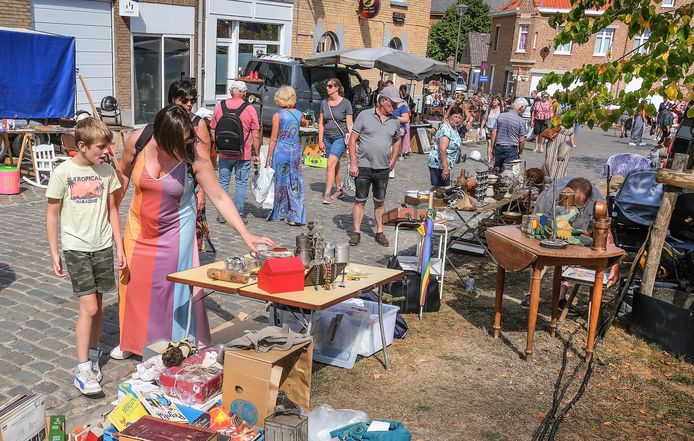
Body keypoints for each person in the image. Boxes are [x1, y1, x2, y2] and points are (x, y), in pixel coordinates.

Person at [112, 105, 273, 359]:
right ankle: (132, 342)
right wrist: (109, 215)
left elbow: (218, 195)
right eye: (183, 140)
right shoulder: (139, 140)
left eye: (190, 139)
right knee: (134, 286)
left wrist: (245, 234)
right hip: (139, 228)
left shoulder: (194, 155)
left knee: (170, 290)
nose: (189, 144)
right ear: (164, 137)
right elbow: (121, 174)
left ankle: (173, 346)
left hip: (176, 230)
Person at [46, 117, 125, 395]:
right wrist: (55, 251)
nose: (106, 152)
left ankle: (92, 355)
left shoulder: (106, 172)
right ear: (82, 146)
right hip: (76, 247)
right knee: (88, 308)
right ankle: (81, 368)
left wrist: (120, 246)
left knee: (99, 307)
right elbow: (52, 213)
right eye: (101, 147)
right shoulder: (63, 172)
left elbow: (113, 211)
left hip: (102, 245)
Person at [523, 177, 620, 315]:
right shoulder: (550, 197)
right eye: (571, 204)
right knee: (540, 259)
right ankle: (531, 293)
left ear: (587, 200)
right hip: (550, 224)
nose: (573, 209)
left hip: (577, 231)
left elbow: (606, 232)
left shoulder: (597, 202)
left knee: (571, 262)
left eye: (578, 206)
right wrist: (542, 231)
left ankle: (560, 299)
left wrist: (615, 263)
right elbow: (539, 217)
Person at [348, 86, 402, 247]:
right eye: (393, 103)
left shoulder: (394, 121)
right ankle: (356, 232)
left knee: (380, 201)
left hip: (383, 167)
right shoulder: (364, 115)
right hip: (363, 165)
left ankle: (379, 231)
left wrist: (393, 160)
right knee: (360, 200)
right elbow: (352, 140)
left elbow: (398, 140)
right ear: (383, 101)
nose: (396, 107)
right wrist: (353, 163)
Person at [167, 80, 213, 251]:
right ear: (173, 99)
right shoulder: (165, 120)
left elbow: (204, 161)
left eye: (192, 100)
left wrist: (201, 192)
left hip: (190, 183)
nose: (189, 104)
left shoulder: (198, 124)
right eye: (184, 100)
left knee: (190, 237)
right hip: (167, 183)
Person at [211, 80, 261, 223]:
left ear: (231, 92)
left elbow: (213, 130)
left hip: (224, 152)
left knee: (223, 183)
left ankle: (222, 214)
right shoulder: (249, 109)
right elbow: (256, 134)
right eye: (245, 92)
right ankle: (238, 214)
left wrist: (219, 146)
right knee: (241, 183)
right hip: (242, 153)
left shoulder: (219, 106)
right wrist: (256, 154)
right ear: (242, 93)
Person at [266, 86, 307, 226]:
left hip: (281, 152)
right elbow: (304, 123)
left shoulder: (278, 115)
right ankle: (295, 214)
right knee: (295, 182)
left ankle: (281, 211)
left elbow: (273, 138)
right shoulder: (299, 113)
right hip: (294, 152)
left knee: (281, 182)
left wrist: (268, 158)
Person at [318, 78, 353, 204]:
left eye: (330, 86)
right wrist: (320, 140)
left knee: (330, 164)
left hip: (340, 137)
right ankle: (339, 189)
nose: (328, 88)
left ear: (337, 88)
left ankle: (327, 193)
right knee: (335, 165)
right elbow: (321, 123)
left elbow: (349, 124)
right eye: (327, 86)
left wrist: (352, 139)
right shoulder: (324, 103)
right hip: (327, 138)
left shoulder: (346, 103)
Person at [428, 106, 463, 187]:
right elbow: (442, 149)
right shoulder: (446, 129)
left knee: (440, 189)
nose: (457, 120)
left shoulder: (453, 128)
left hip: (444, 163)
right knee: (441, 190)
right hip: (439, 163)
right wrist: (445, 168)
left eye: (459, 117)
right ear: (449, 116)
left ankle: (432, 198)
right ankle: (430, 199)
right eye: (455, 117)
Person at [489, 97, 527, 170]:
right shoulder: (520, 121)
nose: (524, 110)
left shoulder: (501, 116)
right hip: (511, 149)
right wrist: (520, 152)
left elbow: (493, 132)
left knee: (496, 170)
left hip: (499, 147)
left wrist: (493, 147)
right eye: (524, 108)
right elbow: (522, 140)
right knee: (507, 173)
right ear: (521, 107)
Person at [394, 85, 412, 157]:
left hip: (401, 126)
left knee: (402, 140)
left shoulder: (404, 103)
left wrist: (394, 118)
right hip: (392, 127)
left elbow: (408, 115)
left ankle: (402, 151)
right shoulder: (391, 104)